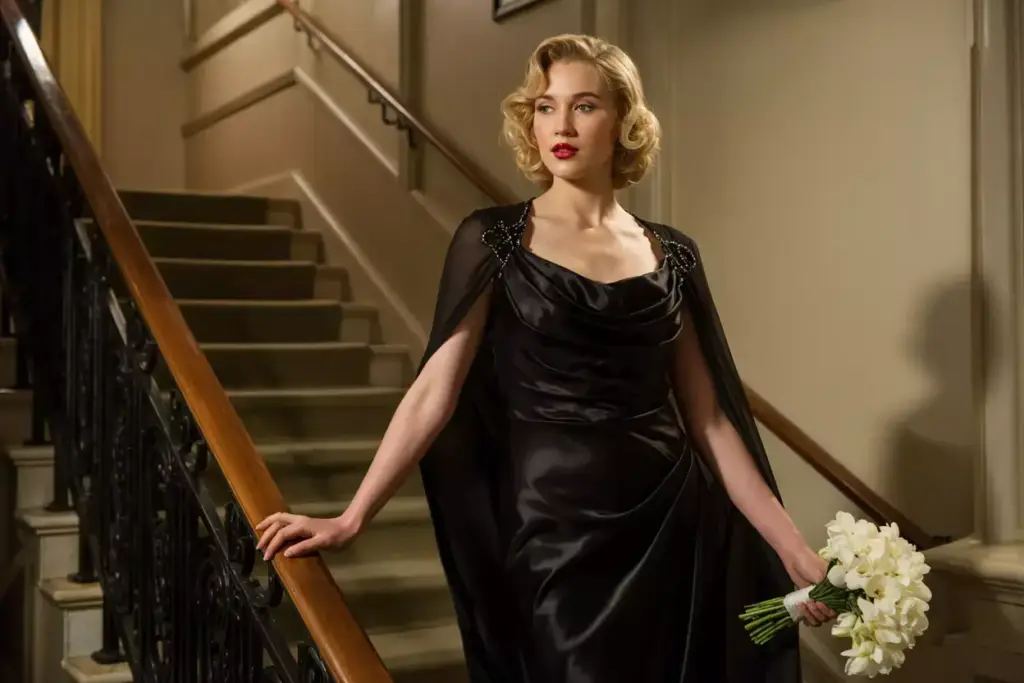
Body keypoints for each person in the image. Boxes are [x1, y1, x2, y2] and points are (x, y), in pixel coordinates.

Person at [256, 33, 836, 683]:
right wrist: (351, 517)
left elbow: (711, 420)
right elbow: (433, 392)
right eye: (545, 106)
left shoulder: (672, 254)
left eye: (584, 106)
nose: (561, 125)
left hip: (671, 522)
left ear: (623, 122)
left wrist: (793, 549)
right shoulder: (493, 238)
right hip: (552, 527)